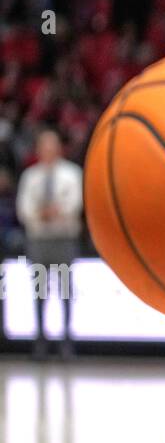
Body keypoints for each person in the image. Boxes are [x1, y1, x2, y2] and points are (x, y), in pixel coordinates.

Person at [15, 128, 83, 361]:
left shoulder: (71, 174)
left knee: (65, 292)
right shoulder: (30, 176)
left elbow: (75, 203)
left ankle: (66, 342)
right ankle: (40, 343)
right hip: (39, 240)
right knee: (40, 293)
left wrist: (58, 212)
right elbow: (24, 208)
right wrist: (40, 214)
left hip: (63, 239)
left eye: (52, 146)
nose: (48, 150)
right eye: (44, 146)